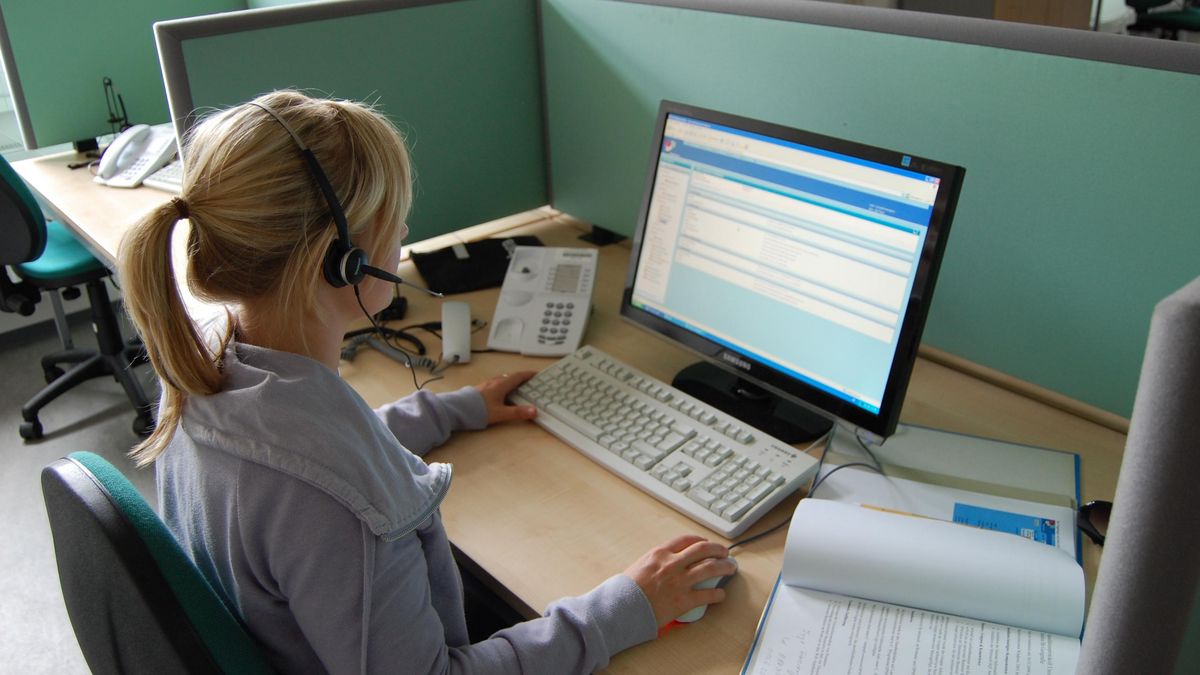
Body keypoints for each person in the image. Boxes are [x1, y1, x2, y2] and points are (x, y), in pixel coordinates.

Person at [118, 90, 735, 674]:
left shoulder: (209, 365)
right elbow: (332, 491)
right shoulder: (334, 501)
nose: (406, 234)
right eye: (394, 220)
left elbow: (323, 456)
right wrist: (627, 607)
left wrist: (452, 409)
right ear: (342, 260)